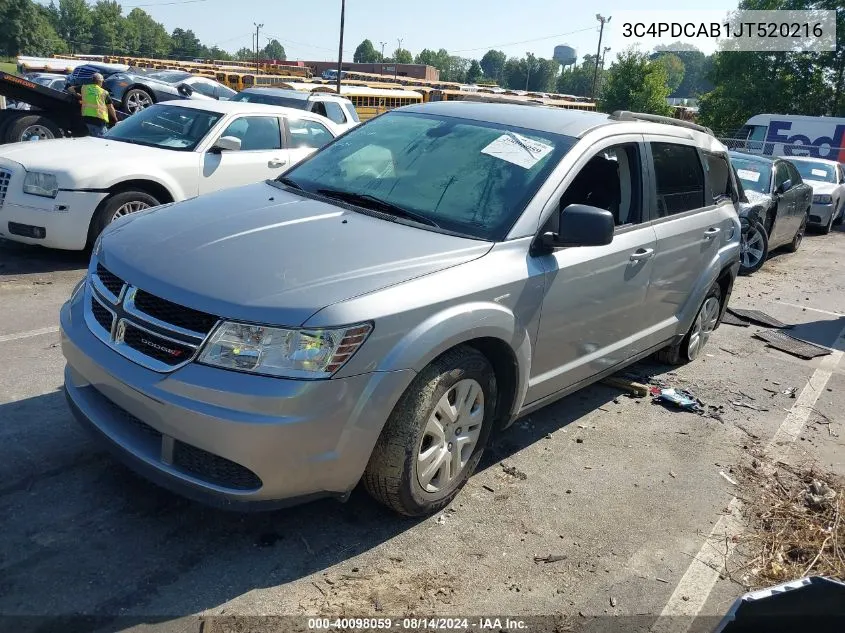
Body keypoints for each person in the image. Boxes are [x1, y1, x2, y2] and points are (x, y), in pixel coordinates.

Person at [69, 73, 118, 138]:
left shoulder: (85, 88)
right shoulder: (104, 92)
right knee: (102, 140)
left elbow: (70, 89)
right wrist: (115, 118)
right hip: (99, 120)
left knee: (92, 138)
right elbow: (110, 107)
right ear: (100, 81)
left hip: (87, 118)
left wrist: (77, 95)